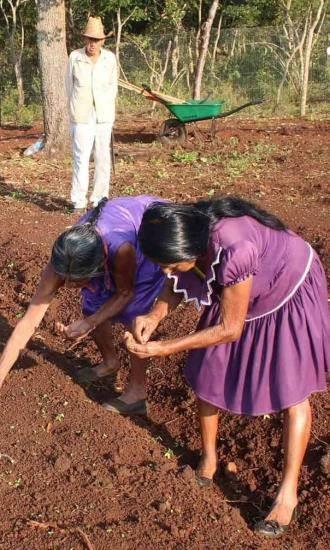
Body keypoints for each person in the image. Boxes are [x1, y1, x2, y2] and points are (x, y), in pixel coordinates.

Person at [127, 197, 329, 537]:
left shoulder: (235, 250)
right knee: (208, 372)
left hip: (286, 287)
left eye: (170, 264)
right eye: (161, 263)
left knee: (291, 389)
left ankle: (287, 495)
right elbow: (178, 270)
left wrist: (165, 347)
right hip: (242, 286)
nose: (165, 271)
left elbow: (230, 329)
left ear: (191, 247)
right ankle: (208, 461)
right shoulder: (189, 228)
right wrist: (155, 314)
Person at [0, 196, 166, 416]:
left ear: (99, 265)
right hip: (107, 243)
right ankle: (110, 362)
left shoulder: (122, 250)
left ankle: (137, 392)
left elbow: (125, 292)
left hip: (147, 231)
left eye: (78, 280)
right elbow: (28, 323)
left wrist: (90, 324)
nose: (70, 285)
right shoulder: (62, 259)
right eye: (66, 278)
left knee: (135, 316)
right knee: (92, 305)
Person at [65, 16, 118, 212]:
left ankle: (99, 199)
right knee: (81, 157)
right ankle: (78, 201)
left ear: (103, 41)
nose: (92, 44)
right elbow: (69, 87)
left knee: (103, 156)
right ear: (84, 39)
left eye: (96, 40)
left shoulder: (109, 59)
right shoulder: (75, 57)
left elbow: (113, 87)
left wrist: (107, 110)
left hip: (103, 115)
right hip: (81, 114)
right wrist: (75, 108)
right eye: (89, 39)